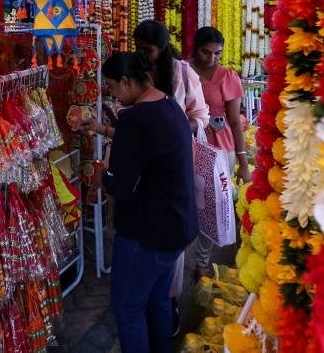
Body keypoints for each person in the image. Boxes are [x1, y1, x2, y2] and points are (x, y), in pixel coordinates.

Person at [83, 52, 198, 353]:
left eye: (112, 87)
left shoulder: (136, 118)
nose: (113, 96)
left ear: (127, 81)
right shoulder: (168, 104)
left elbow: (120, 184)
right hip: (176, 225)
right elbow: (144, 147)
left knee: (128, 309)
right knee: (158, 299)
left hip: (148, 233)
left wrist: (99, 176)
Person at [133, 19, 208, 334]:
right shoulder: (137, 71)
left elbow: (200, 117)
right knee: (145, 233)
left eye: (147, 49)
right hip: (143, 168)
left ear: (162, 48)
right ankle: (150, 298)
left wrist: (171, 130)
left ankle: (170, 300)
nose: (143, 54)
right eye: (139, 48)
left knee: (171, 238)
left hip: (176, 165)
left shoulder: (184, 74)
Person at [190, 26, 250, 276]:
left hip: (218, 148)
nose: (212, 58)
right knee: (186, 199)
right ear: (195, 48)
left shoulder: (228, 77)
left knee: (212, 205)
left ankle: (202, 262)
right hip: (188, 143)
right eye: (206, 52)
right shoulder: (183, 70)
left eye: (218, 54)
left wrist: (243, 162)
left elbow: (235, 122)